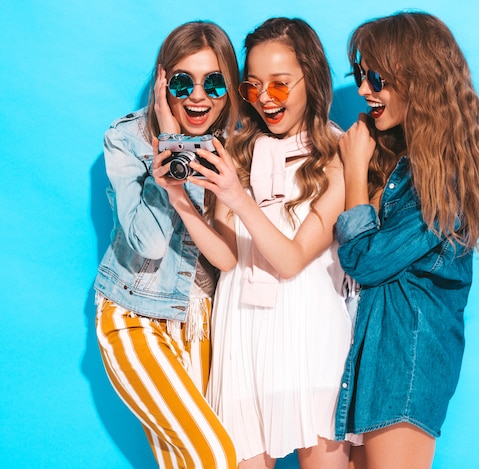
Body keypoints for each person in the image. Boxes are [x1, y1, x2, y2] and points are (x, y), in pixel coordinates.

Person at [152, 16, 353, 469]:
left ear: (312, 80)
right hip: (240, 333)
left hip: (310, 337)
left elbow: (291, 259)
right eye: (253, 86)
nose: (265, 98)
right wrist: (179, 197)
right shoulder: (237, 151)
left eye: (279, 85)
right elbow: (226, 257)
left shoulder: (338, 156)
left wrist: (235, 196)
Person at [333, 11, 479, 469]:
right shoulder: (405, 166)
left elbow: (364, 260)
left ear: (420, 79)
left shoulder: (442, 180)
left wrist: (353, 169)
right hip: (377, 362)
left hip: (405, 365)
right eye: (361, 76)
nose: (366, 90)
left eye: (378, 78)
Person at [93, 20, 240, 469]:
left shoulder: (231, 145)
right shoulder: (127, 139)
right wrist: (171, 145)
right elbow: (150, 245)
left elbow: (227, 257)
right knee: (214, 455)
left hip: (198, 321)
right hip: (133, 316)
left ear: (229, 88)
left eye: (213, 83)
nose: (198, 96)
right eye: (183, 81)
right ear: (163, 82)